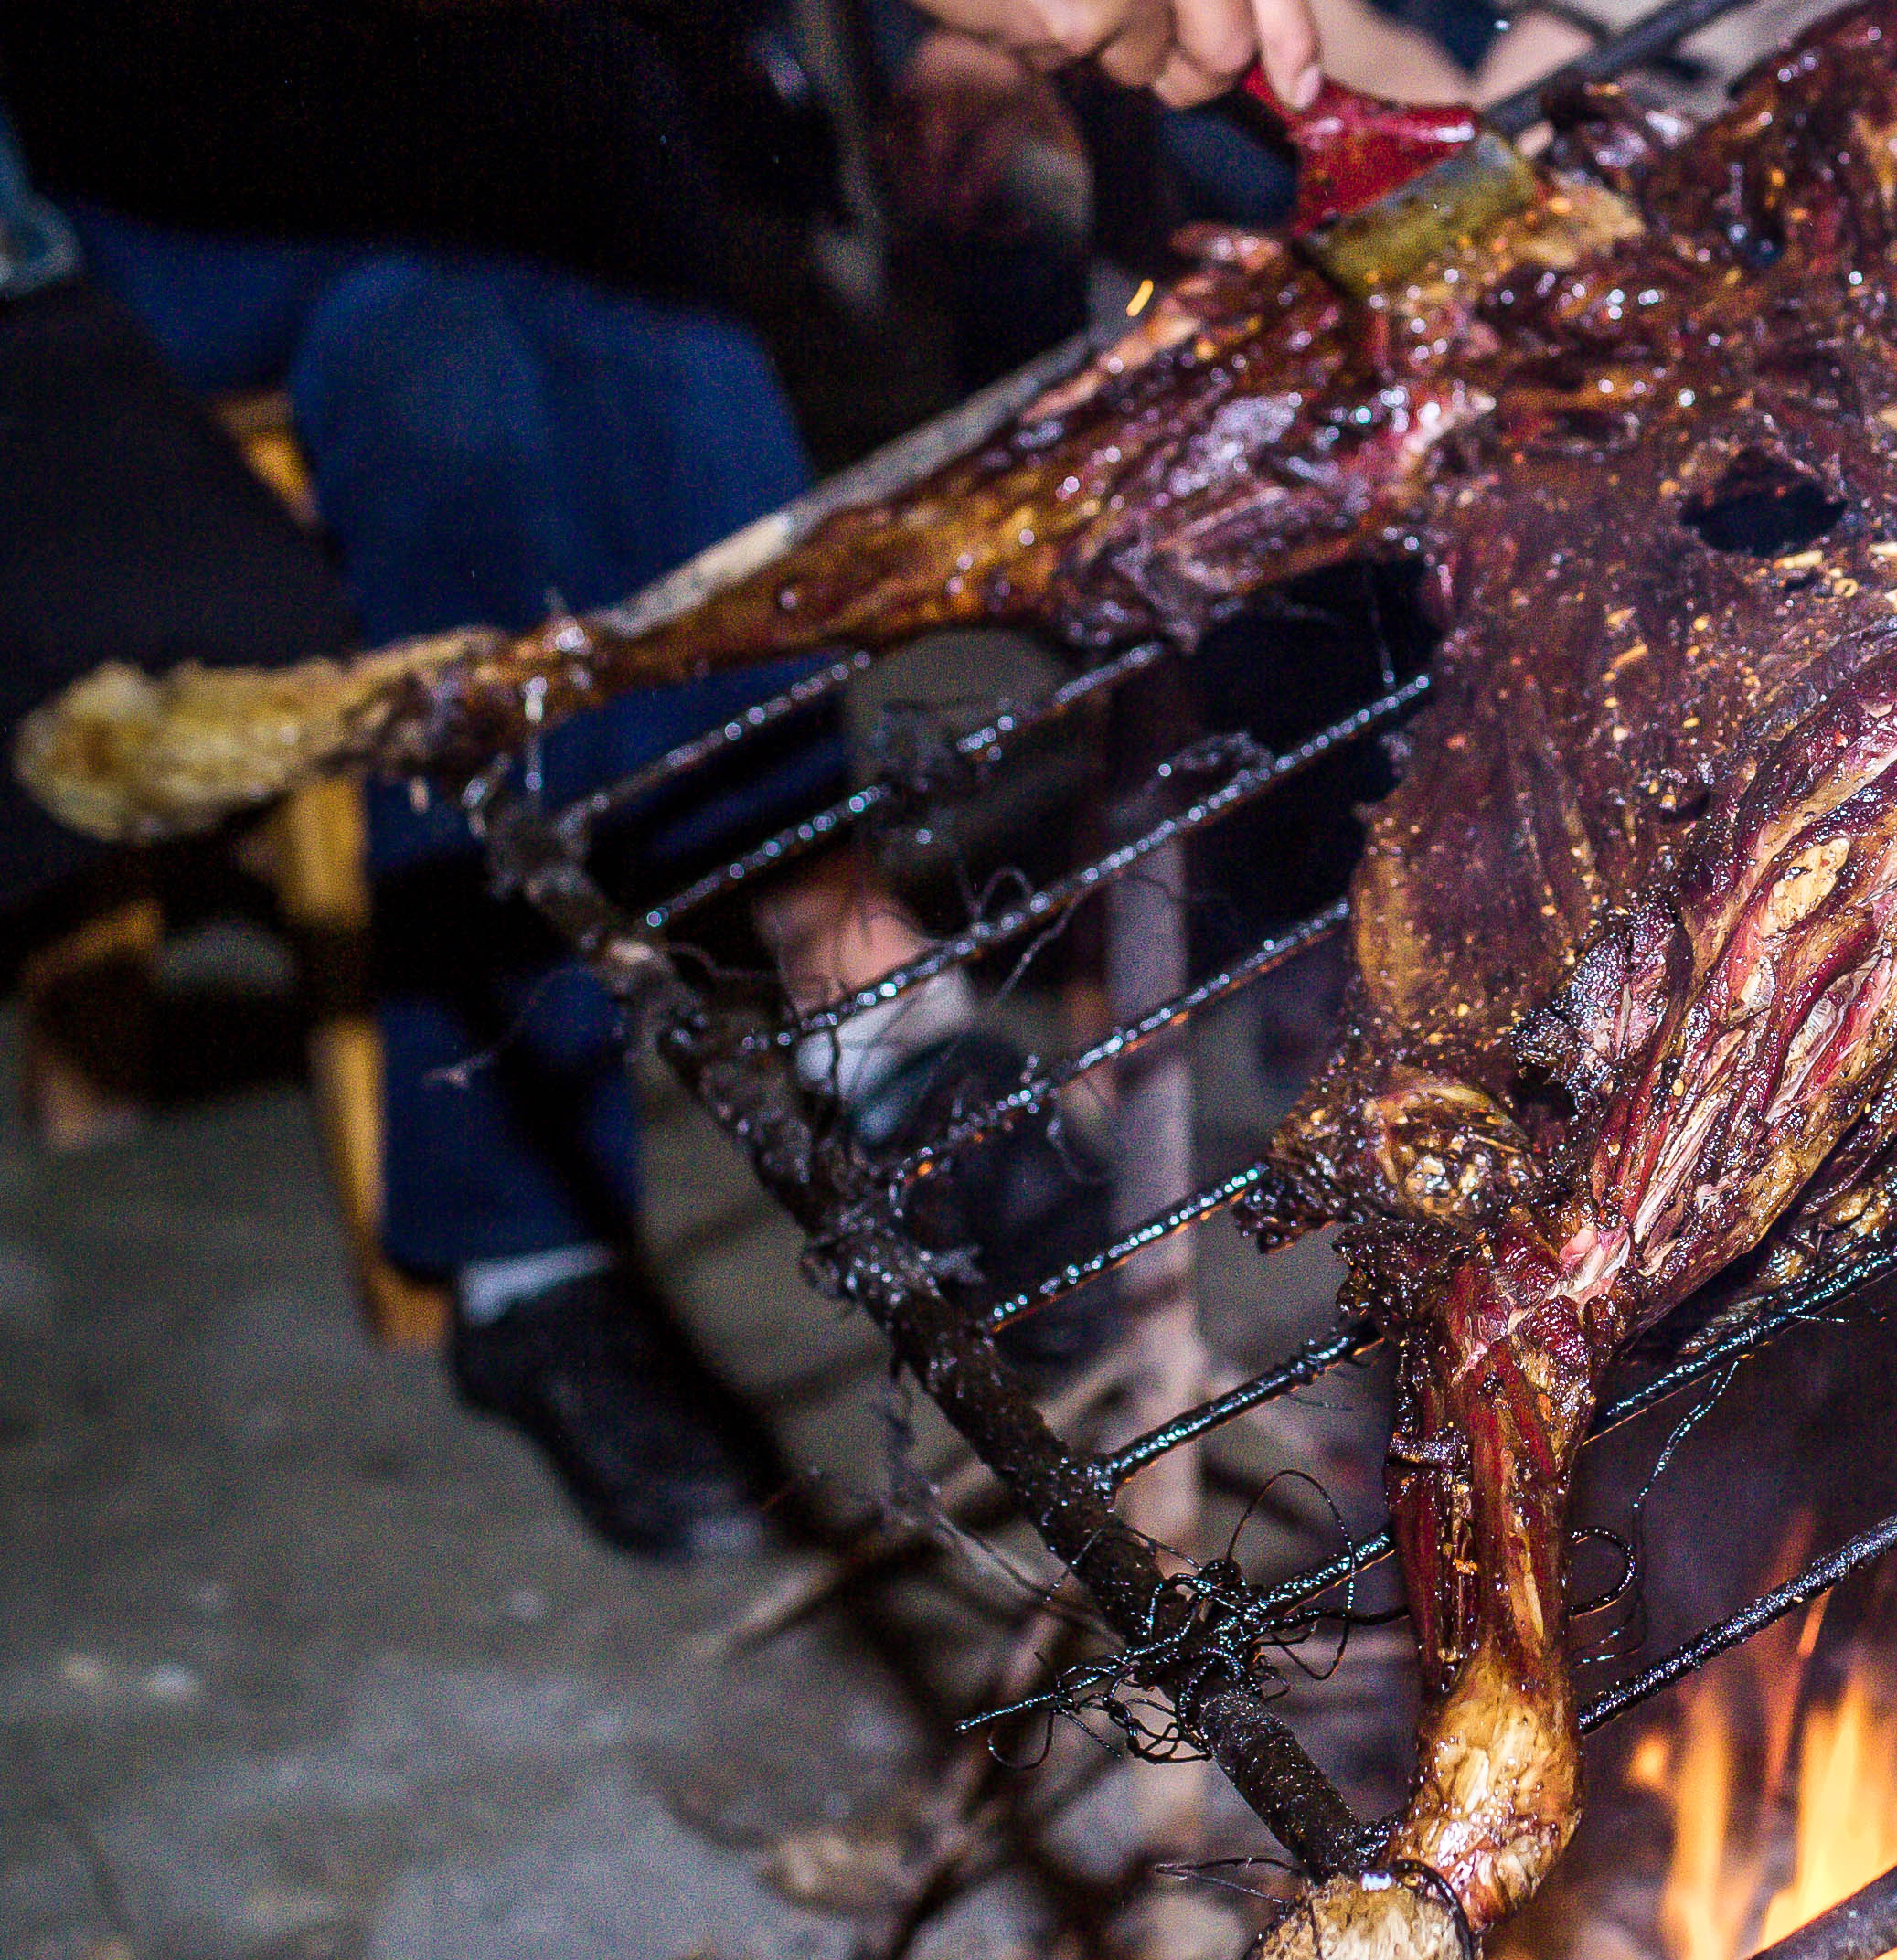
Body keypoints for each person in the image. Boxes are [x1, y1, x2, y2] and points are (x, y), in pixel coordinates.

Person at [0, 0, 1176, 1559]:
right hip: (143, 190)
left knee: (487, 268)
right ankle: (850, 984)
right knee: (469, 305)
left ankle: (526, 1245)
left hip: (488, 145)